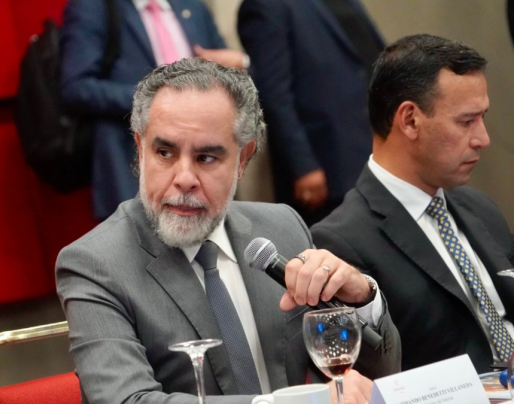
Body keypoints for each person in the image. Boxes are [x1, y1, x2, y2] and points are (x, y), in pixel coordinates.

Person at [56, 58, 400, 404]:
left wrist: (361, 299)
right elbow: (125, 401)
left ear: (243, 159)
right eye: (164, 152)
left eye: (206, 157)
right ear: (140, 149)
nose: (184, 178)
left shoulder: (281, 227)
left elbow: (382, 375)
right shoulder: (95, 264)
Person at [312, 34, 514, 373]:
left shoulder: (479, 207)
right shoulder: (341, 241)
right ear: (409, 120)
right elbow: (369, 369)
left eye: (482, 118)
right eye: (467, 121)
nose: (483, 139)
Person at [60, 0, 246, 220]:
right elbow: (76, 87)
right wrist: (159, 100)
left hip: (207, 161)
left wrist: (238, 66)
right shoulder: (95, 6)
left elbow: (227, 71)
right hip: (132, 164)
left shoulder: (192, 5)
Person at [237, 0, 385, 225]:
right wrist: (304, 167)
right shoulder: (267, 5)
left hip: (373, 154)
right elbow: (274, 94)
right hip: (327, 172)